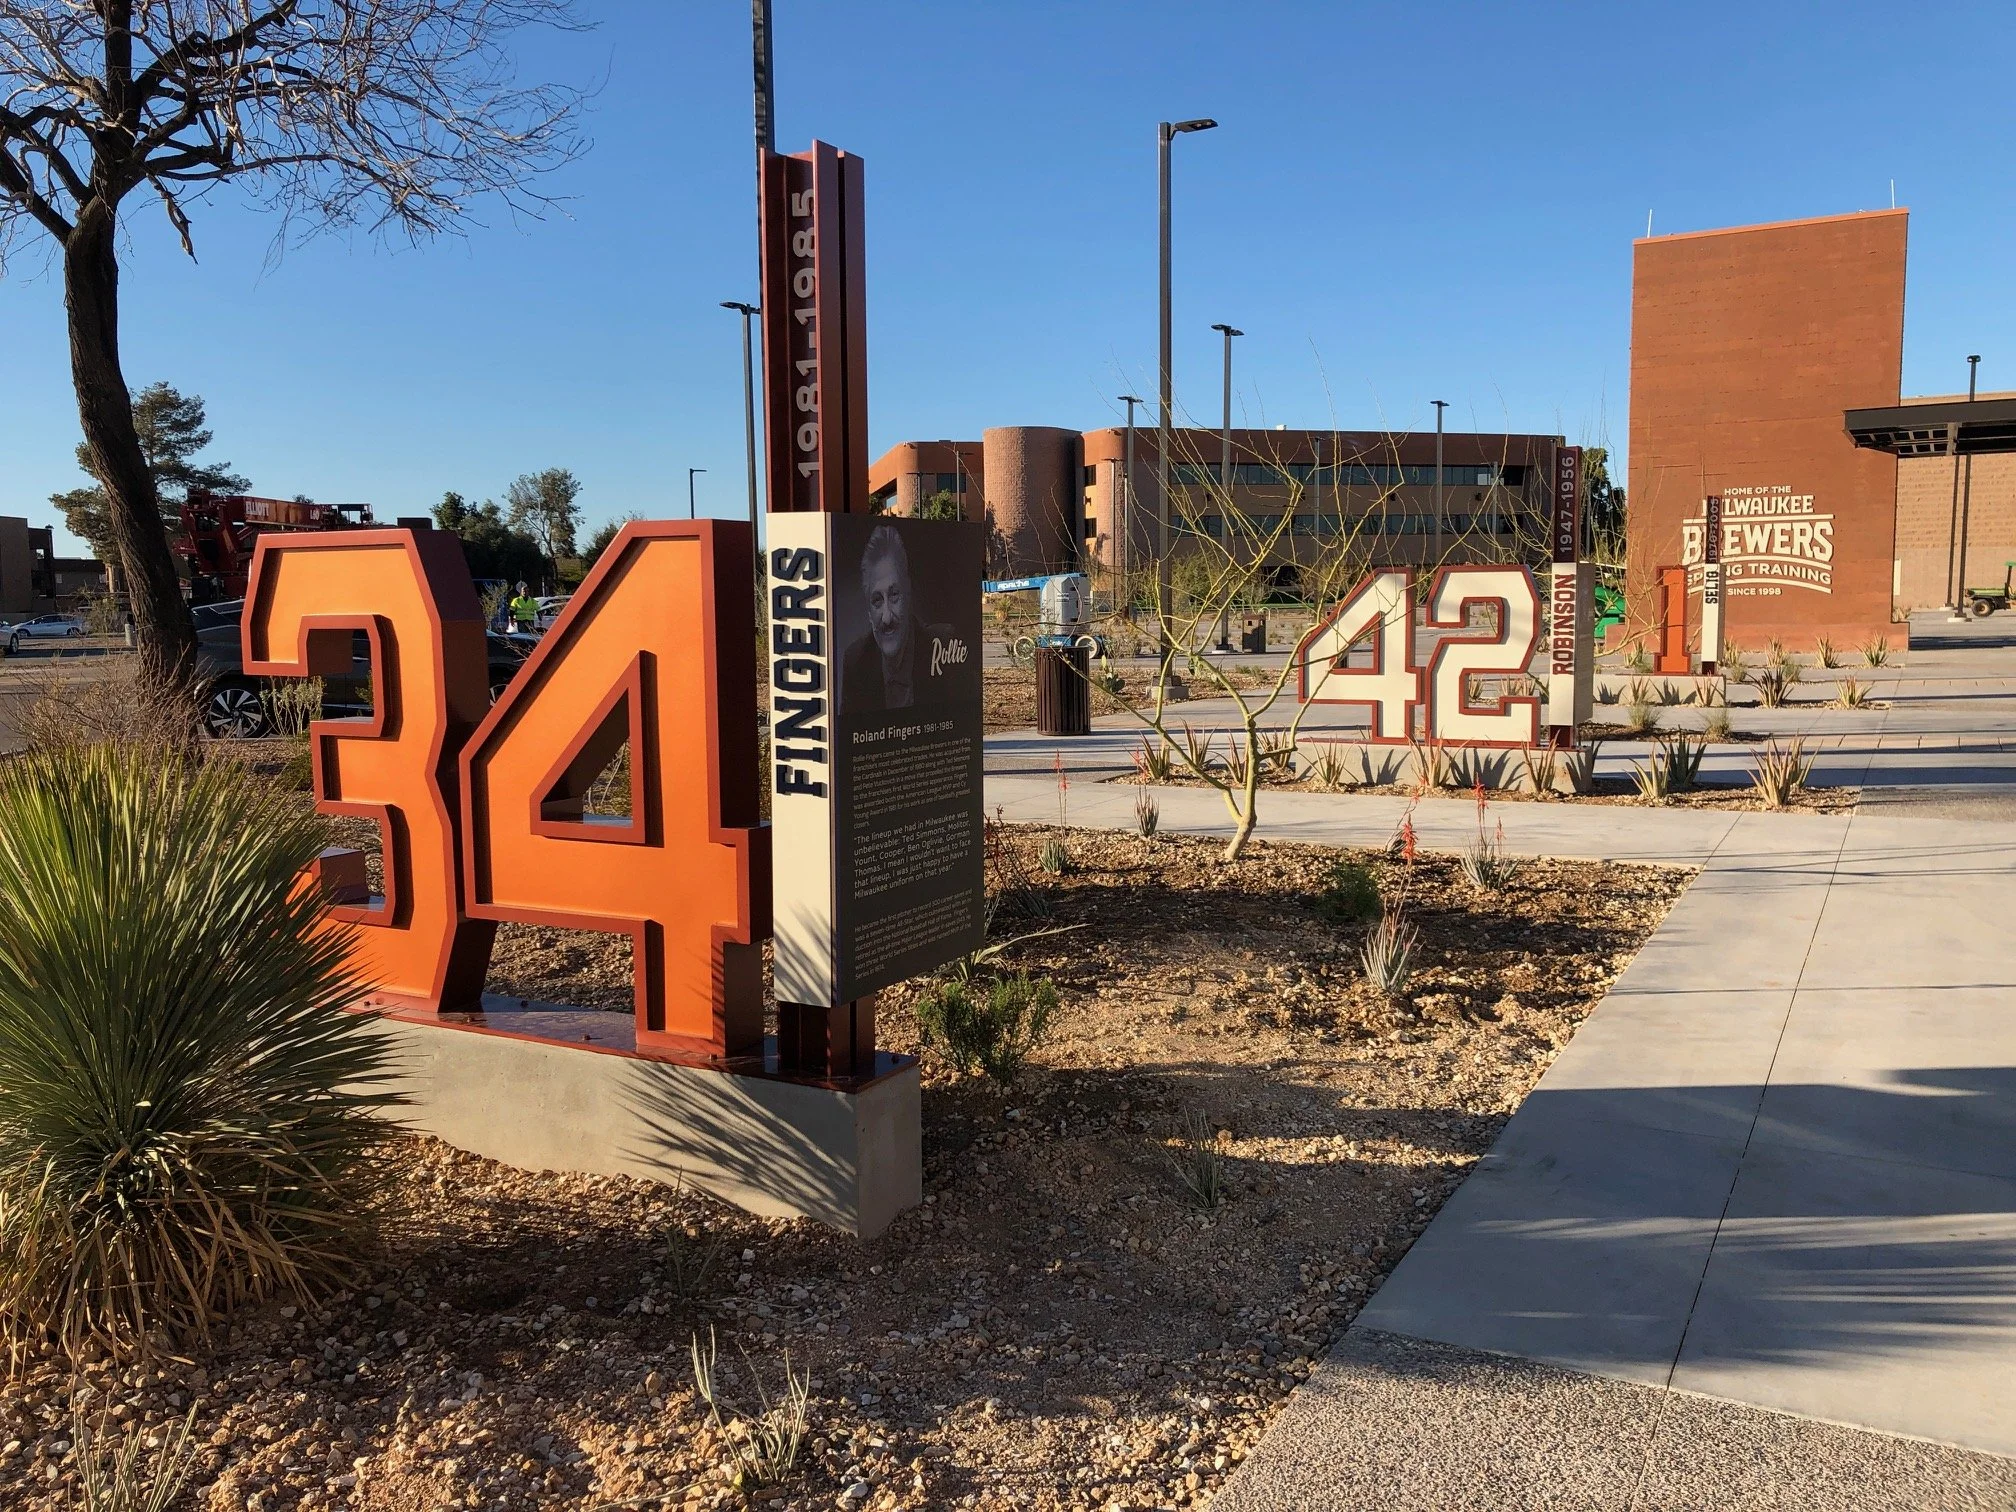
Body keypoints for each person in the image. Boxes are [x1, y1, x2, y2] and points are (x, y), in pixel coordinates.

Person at [842, 524, 955, 712]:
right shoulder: (856, 662)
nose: (887, 618)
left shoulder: (943, 647)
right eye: (877, 600)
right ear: (869, 612)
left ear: (908, 593)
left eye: (894, 595)